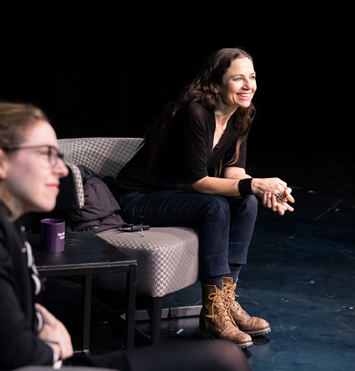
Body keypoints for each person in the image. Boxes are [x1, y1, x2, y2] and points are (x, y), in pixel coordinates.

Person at [0, 93, 251, 370]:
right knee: (224, 360)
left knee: (222, 358)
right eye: (47, 155)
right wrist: (51, 349)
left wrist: (40, 315)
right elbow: (11, 351)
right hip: (36, 364)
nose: (61, 169)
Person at [111, 47, 294, 348]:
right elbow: (199, 182)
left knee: (246, 202)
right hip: (138, 199)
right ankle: (212, 313)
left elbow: (235, 174)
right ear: (215, 83)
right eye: (238, 78)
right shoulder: (196, 113)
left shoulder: (240, 115)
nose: (249, 85)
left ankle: (225, 299)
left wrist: (265, 189)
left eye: (252, 77)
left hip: (175, 196)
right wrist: (256, 185)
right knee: (214, 206)